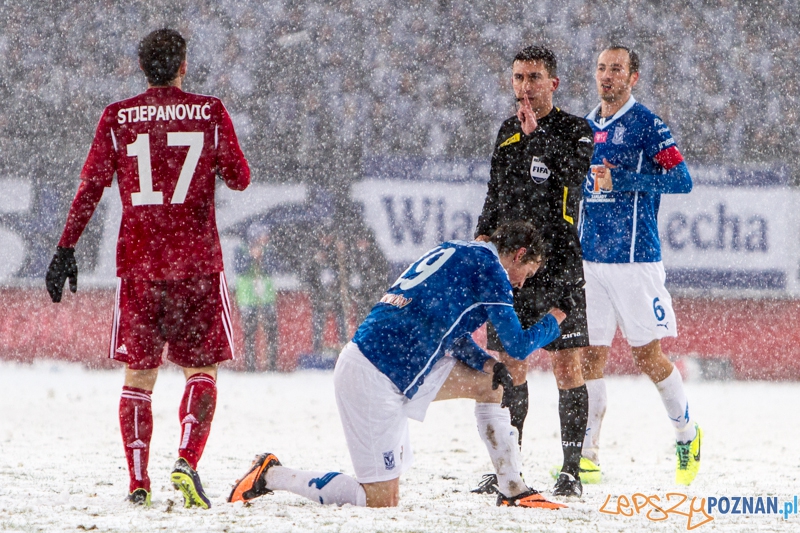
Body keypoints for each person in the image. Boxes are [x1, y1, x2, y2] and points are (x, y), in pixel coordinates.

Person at [45, 29, 250, 508]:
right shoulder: (210, 111)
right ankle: (186, 460)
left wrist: (65, 247)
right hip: (196, 263)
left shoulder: (118, 117)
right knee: (202, 370)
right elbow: (240, 179)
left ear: (142, 68)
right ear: (183, 64)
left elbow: (91, 185)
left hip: (139, 263)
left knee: (139, 377)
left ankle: (138, 482)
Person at [228, 222, 568, 509]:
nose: (521, 283)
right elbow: (518, 345)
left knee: (490, 383)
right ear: (519, 255)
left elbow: (445, 330)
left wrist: (486, 362)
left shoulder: (458, 251)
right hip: (374, 375)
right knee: (379, 501)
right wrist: (556, 319)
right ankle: (271, 474)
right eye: (528, 273)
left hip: (399, 364)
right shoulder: (491, 269)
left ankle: (513, 489)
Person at [473, 46, 593, 498]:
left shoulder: (575, 130)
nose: (525, 86)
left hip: (559, 266)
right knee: (512, 366)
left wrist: (537, 136)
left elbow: (572, 178)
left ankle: (571, 471)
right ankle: (511, 466)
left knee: (567, 366)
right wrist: (483, 236)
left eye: (534, 77)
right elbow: (494, 193)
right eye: (519, 77)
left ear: (553, 84)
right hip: (513, 268)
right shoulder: (507, 132)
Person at [579, 45, 700, 485]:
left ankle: (687, 434)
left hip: (634, 260)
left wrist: (626, 179)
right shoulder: (587, 126)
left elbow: (681, 180)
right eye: (601, 68)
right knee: (589, 356)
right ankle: (587, 455)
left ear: (633, 77)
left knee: (648, 357)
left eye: (616, 69)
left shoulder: (648, 124)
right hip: (590, 260)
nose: (606, 76)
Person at [233, 224, 280, 372]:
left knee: (271, 329)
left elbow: (272, 268)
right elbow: (239, 269)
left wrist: (263, 258)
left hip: (265, 296)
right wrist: (250, 257)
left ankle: (271, 363)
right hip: (248, 297)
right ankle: (250, 364)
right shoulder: (240, 249)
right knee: (250, 331)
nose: (266, 238)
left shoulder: (269, 250)